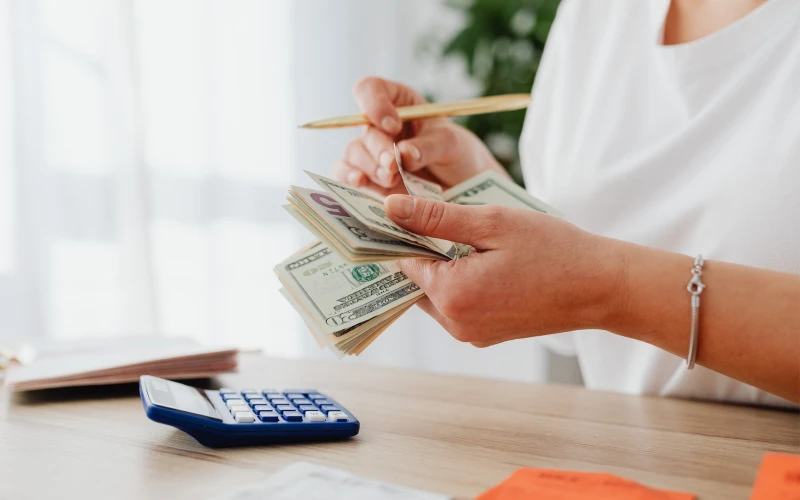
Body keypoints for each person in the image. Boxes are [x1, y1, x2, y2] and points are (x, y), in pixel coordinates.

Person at [331, 0, 800, 406]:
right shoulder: (597, 13)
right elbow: (580, 317)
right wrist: (472, 184)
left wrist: (606, 288)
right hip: (631, 460)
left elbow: (595, 278)